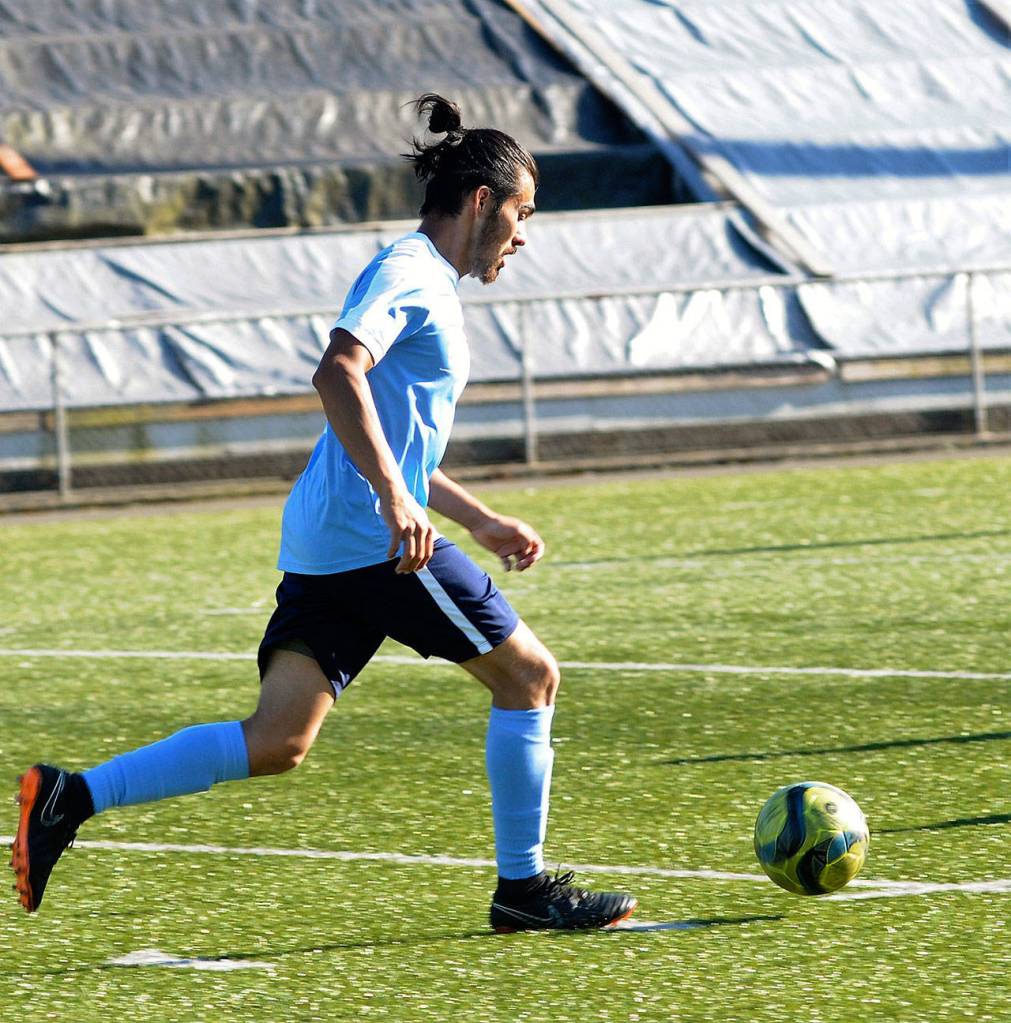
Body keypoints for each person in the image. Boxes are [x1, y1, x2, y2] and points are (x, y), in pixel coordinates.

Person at [10, 94, 637, 932]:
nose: (524, 234)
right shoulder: (409, 272)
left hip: (331, 535)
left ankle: (69, 796)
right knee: (530, 679)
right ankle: (521, 891)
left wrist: (474, 516)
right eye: (521, 213)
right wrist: (394, 498)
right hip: (368, 539)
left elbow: (394, 437)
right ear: (481, 202)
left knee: (277, 739)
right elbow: (337, 370)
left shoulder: (427, 281)